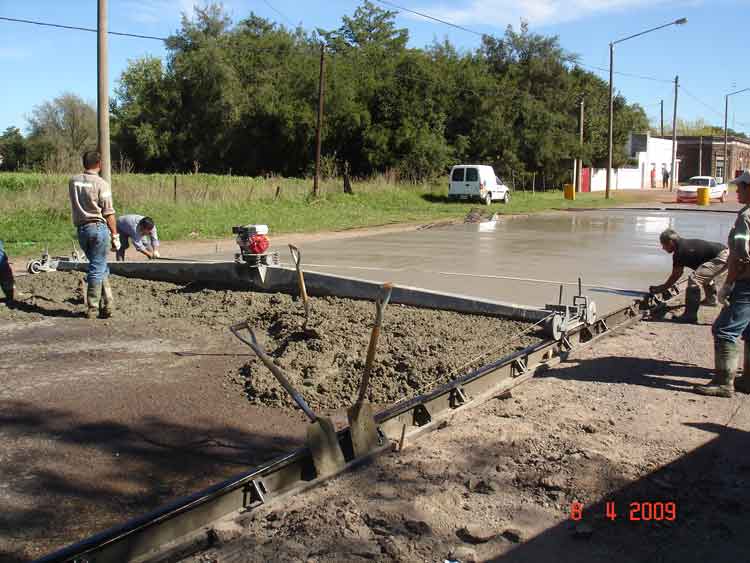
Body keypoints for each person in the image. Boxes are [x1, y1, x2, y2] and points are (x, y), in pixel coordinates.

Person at [694, 170, 750, 397]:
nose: (737, 190)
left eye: (740, 187)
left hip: (747, 283)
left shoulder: (746, 217)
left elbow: (740, 255)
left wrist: (728, 284)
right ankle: (746, 380)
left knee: (724, 329)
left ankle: (724, 383)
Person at [68, 150, 120, 319]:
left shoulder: (73, 182)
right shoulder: (101, 184)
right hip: (98, 228)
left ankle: (109, 303)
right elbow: (109, 212)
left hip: (82, 230)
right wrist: (115, 235)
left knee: (99, 264)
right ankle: (93, 308)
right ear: (99, 164)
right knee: (97, 268)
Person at [649, 229, 728, 323]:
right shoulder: (684, 246)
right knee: (702, 274)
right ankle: (710, 300)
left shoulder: (680, 251)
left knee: (694, 279)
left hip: (722, 256)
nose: (663, 248)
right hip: (724, 253)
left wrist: (662, 288)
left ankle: (690, 316)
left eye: (664, 245)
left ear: (671, 242)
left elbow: (676, 275)